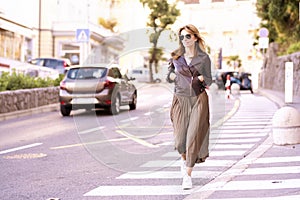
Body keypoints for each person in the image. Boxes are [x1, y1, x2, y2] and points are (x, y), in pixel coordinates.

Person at [166, 24, 212, 190]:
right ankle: (184, 160)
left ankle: (188, 175)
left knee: (192, 137)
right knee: (180, 141)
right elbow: (169, 77)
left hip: (198, 98)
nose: (184, 39)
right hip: (180, 99)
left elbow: (209, 80)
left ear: (195, 38)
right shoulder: (175, 57)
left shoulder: (204, 58)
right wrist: (172, 75)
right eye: (182, 37)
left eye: (188, 36)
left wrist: (202, 79)